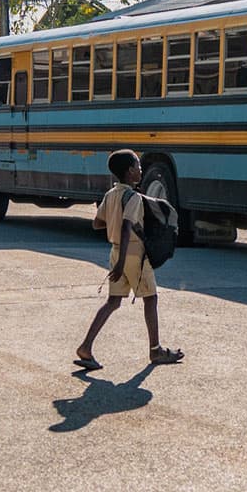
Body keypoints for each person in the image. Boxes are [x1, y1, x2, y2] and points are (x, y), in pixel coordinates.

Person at [73, 149, 184, 370]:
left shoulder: (110, 195)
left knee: (113, 302)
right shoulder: (133, 197)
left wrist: (113, 225)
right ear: (130, 171)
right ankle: (156, 350)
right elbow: (126, 227)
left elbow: (97, 223)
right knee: (150, 299)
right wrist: (124, 260)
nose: (140, 170)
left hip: (115, 252)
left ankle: (86, 346)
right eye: (138, 166)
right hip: (133, 255)